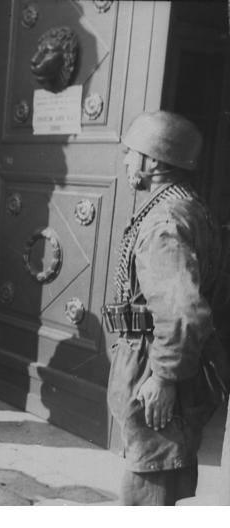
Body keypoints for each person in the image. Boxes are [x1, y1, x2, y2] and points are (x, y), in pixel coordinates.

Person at [103, 110, 225, 505]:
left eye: (129, 152)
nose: (124, 161)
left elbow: (182, 310)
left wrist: (163, 378)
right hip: (161, 362)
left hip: (155, 369)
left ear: (153, 160)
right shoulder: (189, 206)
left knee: (148, 486)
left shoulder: (164, 221)